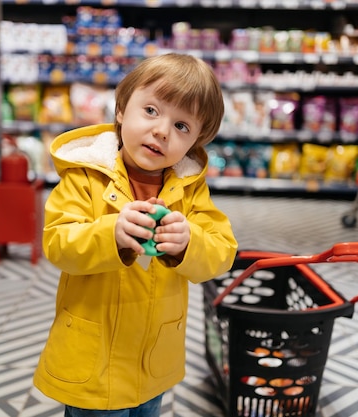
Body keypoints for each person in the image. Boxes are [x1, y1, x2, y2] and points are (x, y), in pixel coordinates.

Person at [33, 53, 238, 417]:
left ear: (194, 142)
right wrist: (110, 233)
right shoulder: (85, 178)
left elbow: (222, 251)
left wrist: (191, 242)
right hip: (94, 363)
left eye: (182, 127)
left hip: (152, 359)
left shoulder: (189, 190)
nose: (162, 131)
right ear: (121, 110)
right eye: (152, 111)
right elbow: (58, 244)